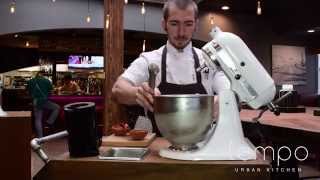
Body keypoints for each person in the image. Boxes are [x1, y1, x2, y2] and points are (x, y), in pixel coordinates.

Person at [112, 0, 230, 135]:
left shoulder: (209, 61)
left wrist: (225, 100)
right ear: (164, 24)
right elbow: (117, 90)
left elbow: (229, 91)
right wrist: (137, 93)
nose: (181, 32)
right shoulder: (149, 59)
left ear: (196, 25)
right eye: (174, 23)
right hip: (159, 146)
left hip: (202, 145)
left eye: (188, 24)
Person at [27, 71, 60, 137]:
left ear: (36, 75)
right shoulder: (47, 81)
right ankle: (49, 122)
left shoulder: (30, 81)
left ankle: (40, 137)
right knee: (57, 107)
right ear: (42, 75)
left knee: (38, 119)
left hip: (35, 101)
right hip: (44, 101)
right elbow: (51, 92)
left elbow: (28, 93)